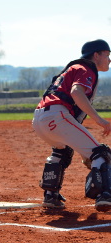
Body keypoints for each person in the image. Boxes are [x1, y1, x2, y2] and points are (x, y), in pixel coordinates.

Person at [32, 39, 111, 212]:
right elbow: (76, 92)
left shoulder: (73, 68)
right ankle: (104, 195)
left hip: (39, 119)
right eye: (107, 55)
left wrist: (84, 150)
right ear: (96, 55)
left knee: (62, 151)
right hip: (57, 115)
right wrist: (100, 120)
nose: (109, 60)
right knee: (101, 153)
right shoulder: (86, 68)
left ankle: (50, 196)